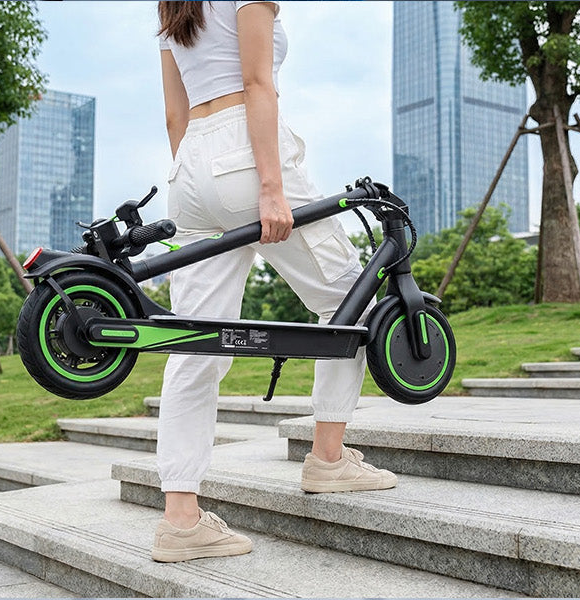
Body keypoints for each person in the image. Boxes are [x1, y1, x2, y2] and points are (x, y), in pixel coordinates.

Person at [150, 0, 397, 564]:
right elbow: (258, 83)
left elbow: (173, 114)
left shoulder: (169, 3)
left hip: (188, 169)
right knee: (352, 299)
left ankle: (180, 520)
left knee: (195, 345)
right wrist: (268, 186)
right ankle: (329, 460)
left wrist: (203, 181)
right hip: (247, 151)